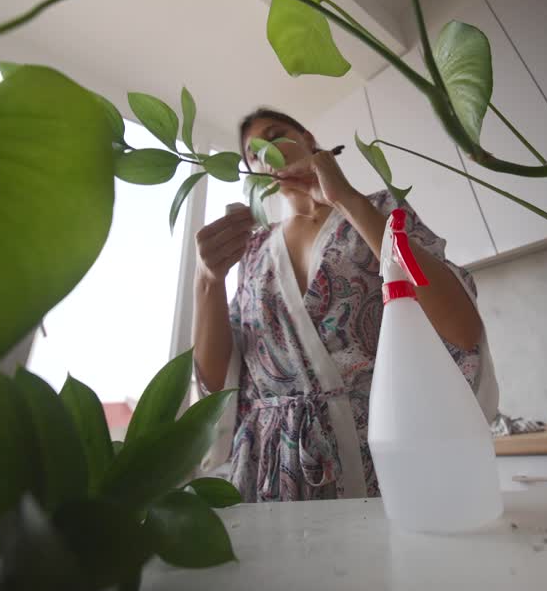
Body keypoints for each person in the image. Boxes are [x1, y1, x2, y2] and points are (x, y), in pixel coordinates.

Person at [192, 108, 498, 501]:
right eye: (254, 153)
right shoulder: (250, 253)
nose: (267, 153)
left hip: (390, 447)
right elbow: (219, 383)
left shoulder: (380, 211)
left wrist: (347, 200)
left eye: (276, 134)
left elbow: (462, 329)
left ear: (307, 137)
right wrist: (207, 279)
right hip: (271, 471)